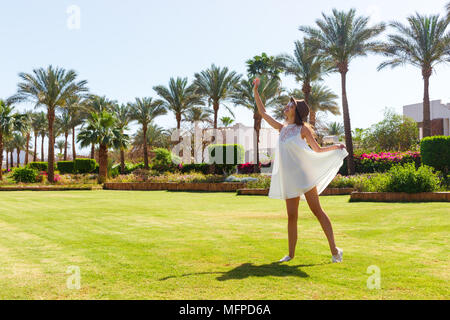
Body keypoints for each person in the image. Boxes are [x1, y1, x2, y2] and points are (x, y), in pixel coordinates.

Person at [253, 77, 349, 263]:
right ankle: (290, 254)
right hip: (289, 179)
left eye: (290, 105)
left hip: (304, 176)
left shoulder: (302, 129)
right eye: (288, 104)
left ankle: (335, 250)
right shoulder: (282, 128)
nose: (286, 107)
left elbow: (318, 150)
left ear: (296, 111)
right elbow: (263, 112)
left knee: (317, 212)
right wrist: (256, 90)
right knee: (291, 216)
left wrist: (336, 147)